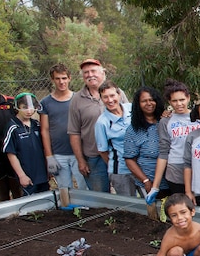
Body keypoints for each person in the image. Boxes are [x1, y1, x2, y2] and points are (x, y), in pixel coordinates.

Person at [68, 58, 127, 192]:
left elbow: (129, 119)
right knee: (101, 199)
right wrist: (81, 161)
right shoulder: (76, 100)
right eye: (86, 72)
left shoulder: (118, 93)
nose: (90, 75)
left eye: (93, 71)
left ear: (103, 73)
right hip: (94, 158)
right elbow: (74, 133)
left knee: (127, 195)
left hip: (120, 155)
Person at [40, 63, 87, 191]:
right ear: (52, 79)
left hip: (79, 153)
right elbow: (44, 130)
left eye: (64, 78)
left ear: (69, 78)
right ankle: (69, 211)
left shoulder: (79, 98)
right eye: (58, 78)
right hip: (58, 153)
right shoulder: (45, 102)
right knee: (64, 190)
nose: (61, 82)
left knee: (85, 187)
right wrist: (49, 156)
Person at [154, 79, 200, 196]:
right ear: (169, 102)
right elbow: (164, 152)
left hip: (199, 168)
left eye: (182, 100)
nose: (179, 104)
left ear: (188, 98)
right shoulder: (165, 121)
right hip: (176, 171)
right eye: (174, 101)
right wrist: (155, 186)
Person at [124, 86, 170, 200]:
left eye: (151, 100)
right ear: (138, 104)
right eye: (144, 101)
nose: (149, 103)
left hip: (172, 179)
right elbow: (129, 159)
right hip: (149, 181)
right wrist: (145, 180)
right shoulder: (133, 129)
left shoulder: (167, 121)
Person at [3, 93, 49, 196]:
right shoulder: (12, 127)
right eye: (24, 107)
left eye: (31, 107)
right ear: (17, 107)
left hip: (42, 174)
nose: (29, 111)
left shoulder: (36, 124)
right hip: (27, 175)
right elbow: (11, 153)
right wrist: (21, 175)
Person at [94, 80, 133, 196]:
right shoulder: (102, 122)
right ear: (101, 99)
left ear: (119, 95)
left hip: (142, 168)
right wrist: (119, 164)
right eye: (105, 97)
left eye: (112, 95)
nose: (110, 100)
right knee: (131, 207)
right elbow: (103, 151)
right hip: (121, 171)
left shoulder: (132, 109)